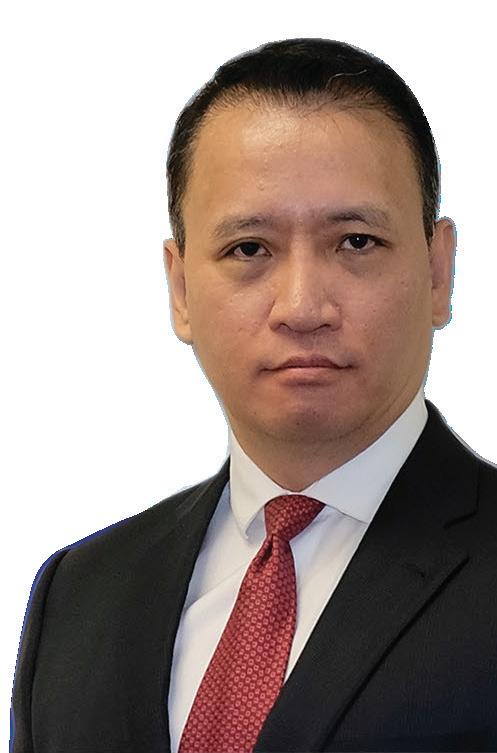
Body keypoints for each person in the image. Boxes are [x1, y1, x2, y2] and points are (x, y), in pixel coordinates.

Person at [10, 37, 497, 753]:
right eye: (249, 249)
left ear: (437, 271)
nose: (302, 307)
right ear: (181, 288)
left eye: (355, 242)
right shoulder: (78, 595)